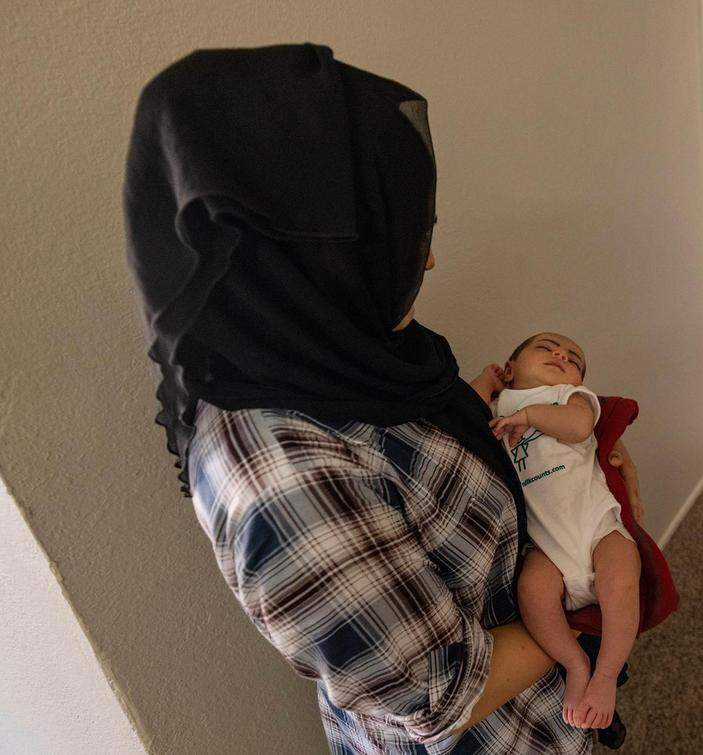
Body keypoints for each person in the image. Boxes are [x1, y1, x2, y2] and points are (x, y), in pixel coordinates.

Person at [123, 43, 645, 754]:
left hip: (548, 705)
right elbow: (446, 694)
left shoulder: (352, 351)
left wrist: (590, 494)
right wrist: (592, 599)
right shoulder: (282, 480)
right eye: (403, 234)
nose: (427, 258)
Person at [469, 333, 642, 732]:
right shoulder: (499, 407)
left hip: (596, 524)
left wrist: (529, 417)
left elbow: (579, 427)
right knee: (532, 591)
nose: (561, 354)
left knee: (622, 579)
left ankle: (605, 674)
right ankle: (575, 662)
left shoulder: (570, 397)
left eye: (573, 358)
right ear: (510, 369)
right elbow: (466, 416)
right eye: (545, 348)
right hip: (545, 544)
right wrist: (486, 381)